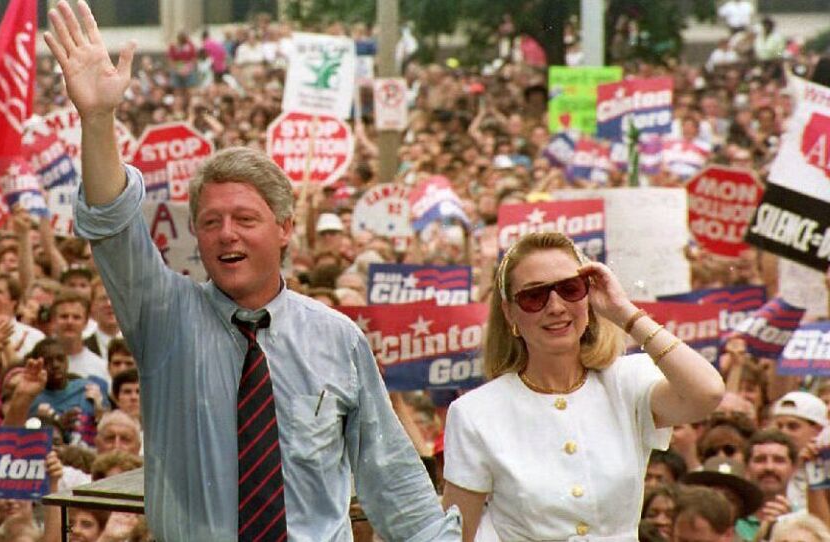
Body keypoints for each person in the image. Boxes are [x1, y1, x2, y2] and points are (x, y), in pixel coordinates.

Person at [43, 2, 461, 540]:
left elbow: (395, 485)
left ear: (285, 228)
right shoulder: (164, 318)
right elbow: (111, 226)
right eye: (210, 222)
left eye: (245, 218)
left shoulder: (337, 339)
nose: (226, 234)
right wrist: (98, 119)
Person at [442, 232, 724, 540]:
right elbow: (457, 535)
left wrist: (623, 312)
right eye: (534, 296)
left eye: (570, 289)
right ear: (509, 312)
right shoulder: (475, 413)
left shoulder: (628, 381)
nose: (556, 306)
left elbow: (707, 393)